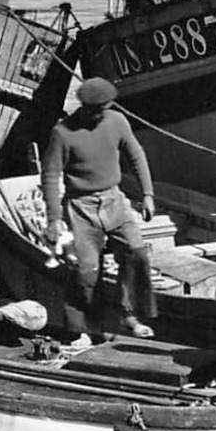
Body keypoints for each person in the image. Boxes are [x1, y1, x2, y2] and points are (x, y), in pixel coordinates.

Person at [41, 77, 158, 348]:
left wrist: (148, 194)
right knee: (85, 271)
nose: (100, 114)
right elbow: (50, 174)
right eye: (96, 109)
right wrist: (55, 219)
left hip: (114, 200)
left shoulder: (116, 121)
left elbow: (136, 155)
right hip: (80, 206)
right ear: (84, 106)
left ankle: (129, 315)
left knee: (136, 252)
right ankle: (81, 329)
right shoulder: (62, 133)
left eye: (104, 108)